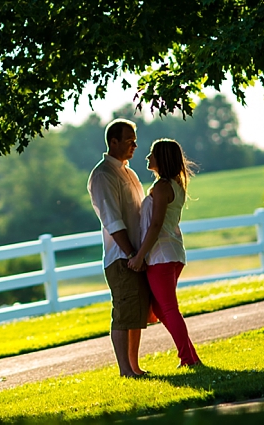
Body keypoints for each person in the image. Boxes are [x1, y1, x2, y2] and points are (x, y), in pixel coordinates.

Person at [128, 138, 201, 367]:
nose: (148, 157)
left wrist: (140, 255)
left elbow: (156, 224)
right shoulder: (175, 186)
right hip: (172, 252)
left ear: (162, 158)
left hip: (161, 255)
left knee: (168, 308)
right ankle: (190, 355)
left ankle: (188, 359)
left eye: (152, 153)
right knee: (161, 308)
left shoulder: (162, 187)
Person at [88, 118, 150, 377]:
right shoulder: (103, 175)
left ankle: (134, 366)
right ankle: (125, 370)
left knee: (136, 314)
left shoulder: (129, 172)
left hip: (135, 255)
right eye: (129, 140)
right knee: (124, 313)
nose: (135, 145)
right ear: (113, 142)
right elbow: (113, 220)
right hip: (121, 257)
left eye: (135, 140)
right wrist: (131, 253)